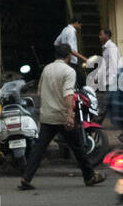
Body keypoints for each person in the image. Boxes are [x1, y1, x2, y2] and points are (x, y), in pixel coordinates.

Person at [18, 41, 105, 191]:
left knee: (39, 148)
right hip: (63, 116)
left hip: (47, 116)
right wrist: (70, 116)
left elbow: (40, 92)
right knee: (77, 147)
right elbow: (68, 95)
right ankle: (90, 176)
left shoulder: (47, 69)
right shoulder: (69, 71)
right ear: (69, 56)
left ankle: (26, 178)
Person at [95, 27, 120, 120]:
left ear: (107, 36)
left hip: (112, 80)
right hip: (110, 80)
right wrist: (97, 76)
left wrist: (111, 80)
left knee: (105, 102)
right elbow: (104, 64)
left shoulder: (111, 48)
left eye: (101, 34)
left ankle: (97, 121)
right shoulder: (106, 48)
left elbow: (113, 65)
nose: (99, 37)